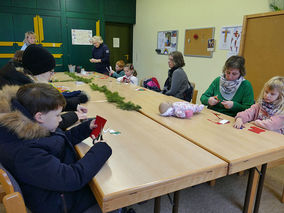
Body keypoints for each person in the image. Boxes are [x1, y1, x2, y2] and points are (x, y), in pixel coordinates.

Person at [0, 83, 112, 213]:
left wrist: (85, 128)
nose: (60, 120)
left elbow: (56, 142)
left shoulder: (28, 126)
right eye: (58, 115)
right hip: (59, 203)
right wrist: (101, 150)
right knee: (108, 189)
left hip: (53, 187)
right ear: (40, 116)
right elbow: (71, 178)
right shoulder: (26, 152)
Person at [0, 45, 88, 130]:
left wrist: (74, 106)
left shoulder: (18, 77)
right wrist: (74, 116)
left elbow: (46, 103)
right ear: (39, 71)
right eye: (51, 71)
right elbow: (43, 125)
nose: (52, 75)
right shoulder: (23, 90)